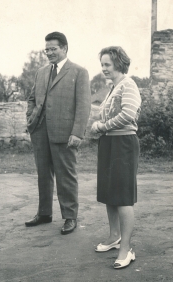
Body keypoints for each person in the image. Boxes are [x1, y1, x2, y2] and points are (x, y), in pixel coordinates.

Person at [25, 32, 91, 235]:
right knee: (43, 174)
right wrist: (31, 117)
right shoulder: (42, 71)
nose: (49, 53)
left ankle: (70, 217)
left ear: (64, 48)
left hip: (65, 133)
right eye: (47, 49)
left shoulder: (79, 72)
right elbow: (32, 97)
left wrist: (78, 133)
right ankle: (44, 213)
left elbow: (83, 105)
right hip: (40, 131)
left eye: (53, 49)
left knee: (66, 176)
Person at [91, 46, 141, 268]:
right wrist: (99, 126)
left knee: (122, 196)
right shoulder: (113, 88)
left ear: (119, 64)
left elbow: (128, 114)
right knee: (110, 193)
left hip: (123, 143)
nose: (103, 69)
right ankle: (114, 237)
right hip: (109, 142)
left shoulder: (128, 85)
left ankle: (126, 249)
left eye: (107, 64)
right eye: (102, 64)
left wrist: (102, 125)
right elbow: (106, 114)